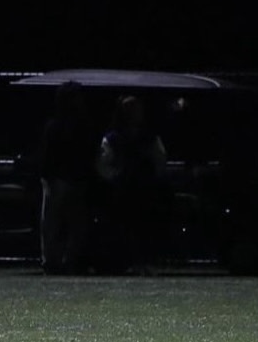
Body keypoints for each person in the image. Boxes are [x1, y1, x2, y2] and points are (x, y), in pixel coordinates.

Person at [94, 94, 169, 274]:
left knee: (145, 226)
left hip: (144, 188)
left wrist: (153, 178)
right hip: (123, 190)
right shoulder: (113, 138)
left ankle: (144, 261)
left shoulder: (149, 137)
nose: (135, 114)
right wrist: (116, 177)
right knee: (123, 227)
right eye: (130, 110)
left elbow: (160, 159)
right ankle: (125, 262)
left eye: (136, 110)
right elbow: (102, 164)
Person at [37, 80, 95, 275]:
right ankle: (64, 260)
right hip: (66, 178)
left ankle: (56, 261)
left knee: (57, 223)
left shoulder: (57, 125)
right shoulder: (75, 125)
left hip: (65, 178)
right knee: (68, 222)